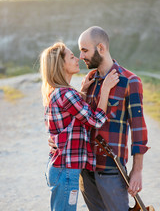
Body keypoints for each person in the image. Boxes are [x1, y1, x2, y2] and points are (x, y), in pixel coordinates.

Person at [49, 27, 149, 211]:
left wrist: (137, 170)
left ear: (101, 48)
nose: (81, 56)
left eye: (85, 50)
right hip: (85, 171)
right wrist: (57, 140)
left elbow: (138, 129)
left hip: (111, 170)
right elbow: (77, 119)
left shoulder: (130, 81)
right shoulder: (90, 80)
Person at [40, 42, 119, 211]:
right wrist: (105, 89)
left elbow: (71, 120)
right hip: (66, 170)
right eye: (71, 57)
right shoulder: (67, 94)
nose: (78, 58)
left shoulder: (58, 92)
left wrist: (83, 89)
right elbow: (95, 120)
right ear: (61, 65)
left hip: (60, 167)